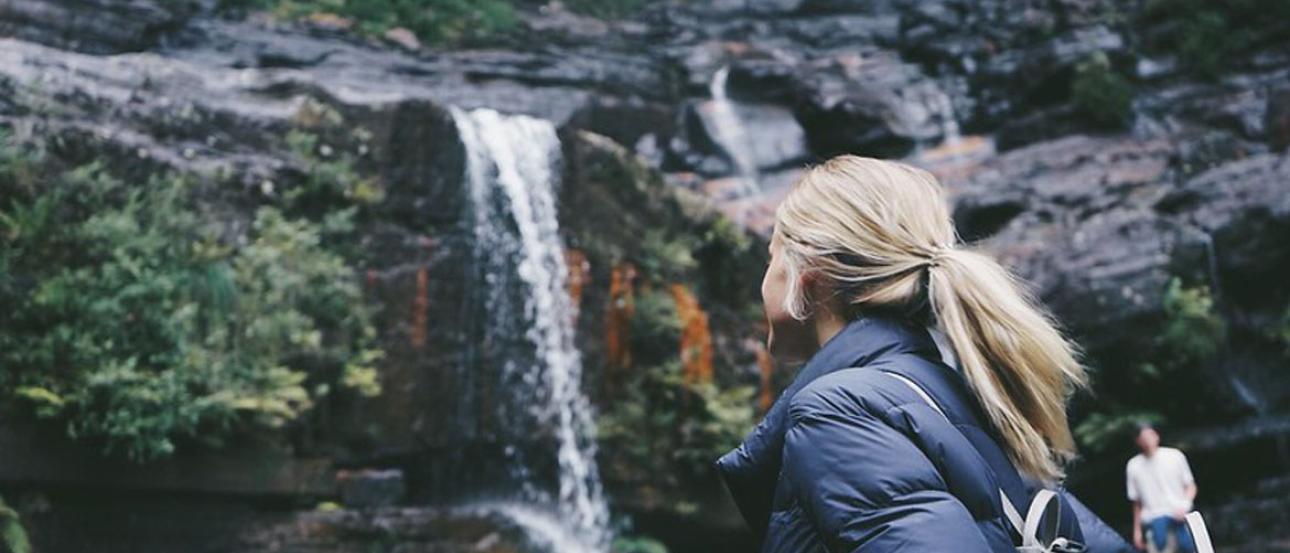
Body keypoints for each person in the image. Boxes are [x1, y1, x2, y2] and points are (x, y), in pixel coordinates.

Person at [714, 155, 1134, 552]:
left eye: (772, 259)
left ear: (810, 271)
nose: (764, 280)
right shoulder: (957, 392)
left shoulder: (840, 411)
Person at [1127, 423, 1198, 552]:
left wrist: (1185, 505)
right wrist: (1137, 531)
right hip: (1154, 519)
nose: (1148, 440)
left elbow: (1190, 486)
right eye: (1143, 437)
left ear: (1157, 435)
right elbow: (1136, 502)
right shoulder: (1133, 466)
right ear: (1138, 441)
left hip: (1180, 514)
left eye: (1150, 435)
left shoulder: (1175, 456)